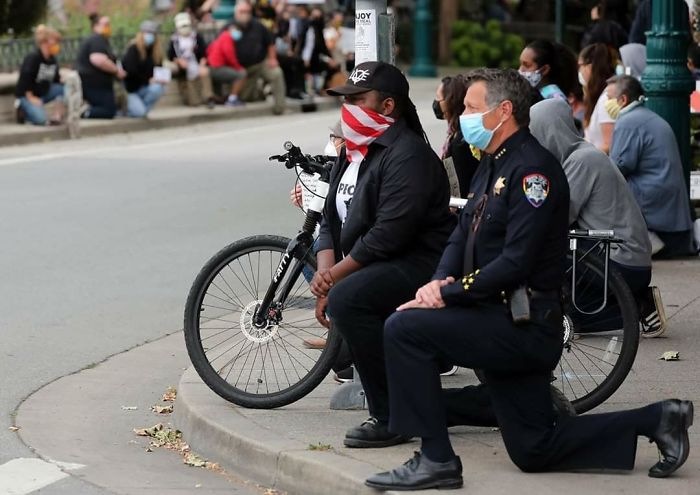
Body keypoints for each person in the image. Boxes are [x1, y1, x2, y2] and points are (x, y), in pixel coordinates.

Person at [365, 68, 694, 492]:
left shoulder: (533, 172)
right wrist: (439, 280)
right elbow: (463, 231)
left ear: (504, 111)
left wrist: (448, 293)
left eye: (470, 107)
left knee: (404, 330)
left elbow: (515, 263)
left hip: (523, 325)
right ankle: (660, 419)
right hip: (497, 317)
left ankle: (436, 460)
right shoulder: (493, 164)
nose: (462, 115)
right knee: (534, 449)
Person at [311, 62, 455, 450]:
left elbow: (388, 235)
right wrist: (326, 270)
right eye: (346, 101)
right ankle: (401, 404)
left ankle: (391, 415)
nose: (348, 109)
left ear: (388, 106)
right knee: (344, 294)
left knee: (349, 299)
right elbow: (329, 219)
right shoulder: (354, 151)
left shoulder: (408, 155)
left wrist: (334, 279)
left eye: (358, 100)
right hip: (373, 262)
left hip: (417, 263)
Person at [529, 98, 666, 338]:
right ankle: (637, 302)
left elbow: (558, 216)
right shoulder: (583, 153)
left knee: (547, 271)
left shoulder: (581, 161)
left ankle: (636, 308)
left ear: (549, 132)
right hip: (626, 258)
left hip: (620, 261)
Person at [607, 75, 696, 259]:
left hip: (651, 201)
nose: (606, 104)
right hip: (666, 200)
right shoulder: (646, 116)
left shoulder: (628, 122)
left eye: (609, 98)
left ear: (623, 99)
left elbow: (618, 167)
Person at [234, 0, 287, 115]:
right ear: (236, 13)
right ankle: (258, 94)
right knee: (245, 96)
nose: (244, 14)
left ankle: (279, 107)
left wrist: (272, 59)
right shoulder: (229, 27)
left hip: (260, 63)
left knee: (276, 73)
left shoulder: (259, 26)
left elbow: (270, 43)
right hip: (240, 69)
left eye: (247, 11)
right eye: (242, 11)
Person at [433, 75, 479, 197]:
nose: (436, 103)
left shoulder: (460, 142)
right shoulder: (454, 134)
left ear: (451, 101)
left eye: (439, 98)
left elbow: (460, 185)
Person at [15, 25, 65, 126]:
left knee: (64, 89)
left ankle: (57, 116)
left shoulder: (52, 59)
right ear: (45, 43)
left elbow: (56, 80)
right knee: (41, 119)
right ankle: (22, 111)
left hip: (43, 93)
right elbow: (25, 79)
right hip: (27, 96)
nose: (57, 45)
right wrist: (31, 97)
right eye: (55, 42)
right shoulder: (33, 57)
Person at [76, 14, 124, 119]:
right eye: (106, 24)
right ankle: (84, 112)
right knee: (108, 110)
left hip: (98, 84)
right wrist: (116, 70)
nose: (108, 27)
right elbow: (98, 59)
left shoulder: (100, 40)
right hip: (93, 84)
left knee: (111, 107)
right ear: (96, 26)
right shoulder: (97, 39)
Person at [168, 12, 216, 107]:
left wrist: (201, 65)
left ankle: (209, 97)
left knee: (204, 72)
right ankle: (194, 98)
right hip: (184, 68)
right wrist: (179, 61)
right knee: (194, 102)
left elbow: (203, 54)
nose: (185, 28)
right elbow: (170, 55)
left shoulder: (196, 37)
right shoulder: (174, 40)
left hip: (196, 64)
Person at [121, 21, 166, 118]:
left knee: (158, 88)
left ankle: (139, 110)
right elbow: (131, 71)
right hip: (131, 89)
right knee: (139, 113)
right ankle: (128, 110)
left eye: (152, 33)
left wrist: (161, 78)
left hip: (145, 88)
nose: (150, 36)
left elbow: (159, 69)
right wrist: (148, 80)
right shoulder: (133, 49)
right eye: (147, 33)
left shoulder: (156, 52)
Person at [579, 43, 616, 153]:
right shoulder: (598, 97)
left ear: (590, 67)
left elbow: (609, 145)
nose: (579, 71)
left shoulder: (606, 99)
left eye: (580, 65)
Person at [206, 23, 247, 106]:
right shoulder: (227, 37)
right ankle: (232, 99)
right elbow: (229, 54)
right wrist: (237, 67)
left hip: (213, 67)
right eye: (237, 30)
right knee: (242, 74)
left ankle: (224, 98)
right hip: (217, 68)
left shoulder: (222, 36)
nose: (238, 33)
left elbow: (209, 49)